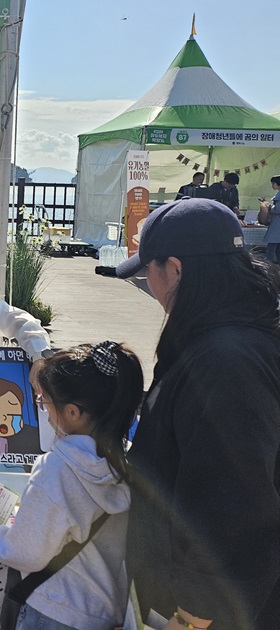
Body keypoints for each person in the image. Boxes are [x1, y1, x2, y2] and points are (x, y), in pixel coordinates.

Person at [115, 198, 280, 629]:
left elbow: (234, 506)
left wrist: (193, 617)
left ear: (174, 269)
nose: (149, 286)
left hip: (211, 614)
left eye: (147, 272)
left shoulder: (226, 363)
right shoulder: (229, 332)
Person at [0, 341, 144, 630]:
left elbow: (24, 553)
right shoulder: (129, 463)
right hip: (106, 612)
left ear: (73, 412)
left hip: (55, 610)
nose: (44, 412)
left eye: (45, 402)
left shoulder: (58, 468)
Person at [263, 175, 280, 263]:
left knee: (271, 246)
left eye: (273, 183)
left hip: (277, 223)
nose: (272, 185)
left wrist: (268, 206)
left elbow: (277, 210)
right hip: (277, 222)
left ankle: (268, 264)